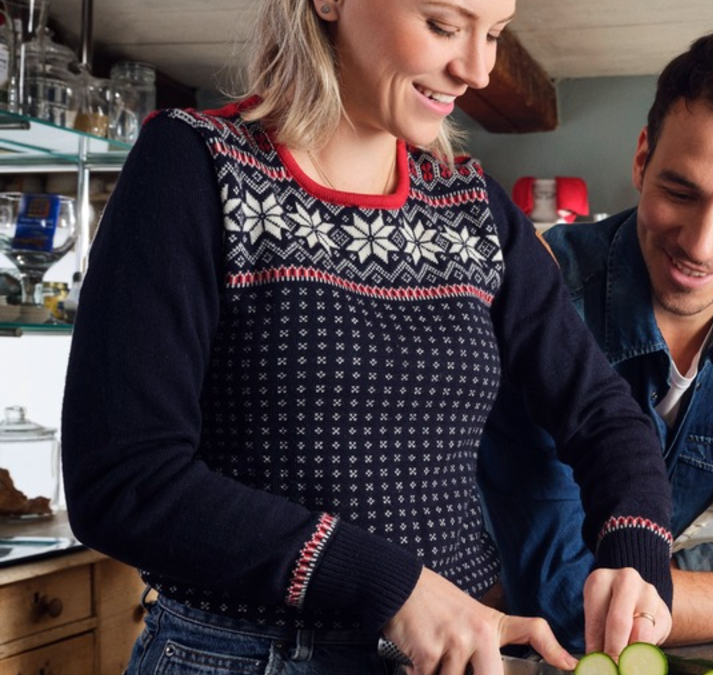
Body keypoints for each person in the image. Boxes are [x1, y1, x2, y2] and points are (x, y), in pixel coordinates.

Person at [60, 0, 675, 672]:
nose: (476, 70)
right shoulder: (194, 165)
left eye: (495, 34)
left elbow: (603, 414)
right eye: (444, 26)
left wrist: (635, 552)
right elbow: (124, 480)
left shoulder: (472, 206)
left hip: (450, 659)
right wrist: (391, 584)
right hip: (237, 656)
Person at [479, 29, 713, 650]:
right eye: (681, 192)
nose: (701, 246)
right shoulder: (540, 293)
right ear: (641, 160)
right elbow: (563, 601)